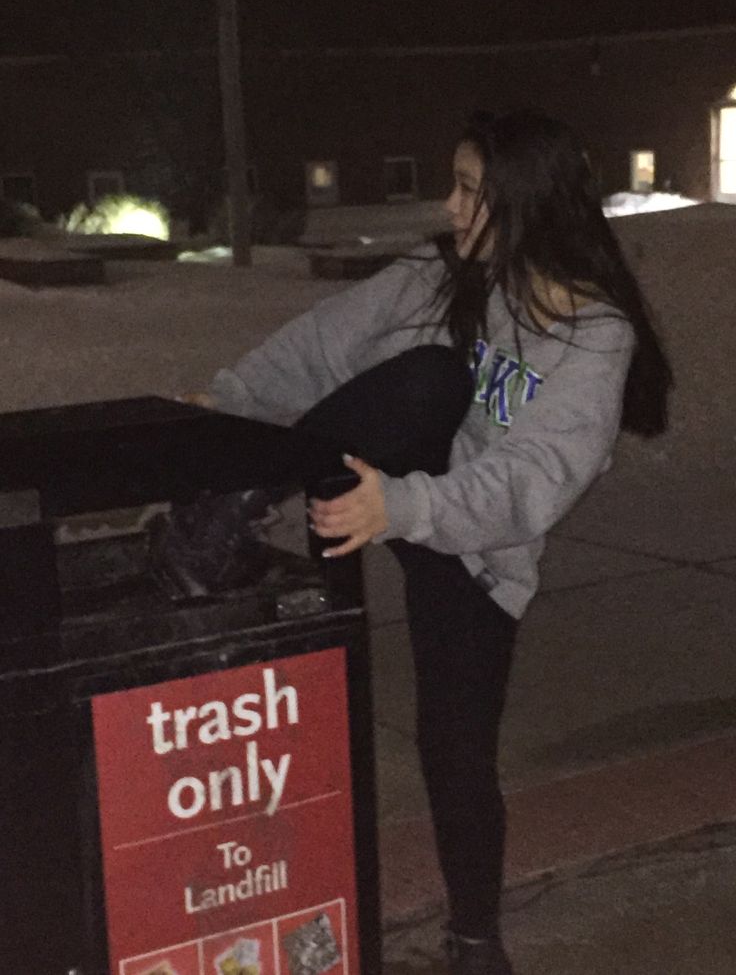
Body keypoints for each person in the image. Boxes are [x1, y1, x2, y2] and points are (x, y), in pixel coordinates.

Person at [153, 109, 673, 975]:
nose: (449, 202)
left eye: (469, 188)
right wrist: (233, 403)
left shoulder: (595, 336)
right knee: (426, 377)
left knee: (455, 747)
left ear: (526, 203)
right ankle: (223, 518)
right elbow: (327, 344)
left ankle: (476, 943)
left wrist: (402, 510)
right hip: (392, 485)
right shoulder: (444, 272)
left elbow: (532, 479)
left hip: (475, 545)